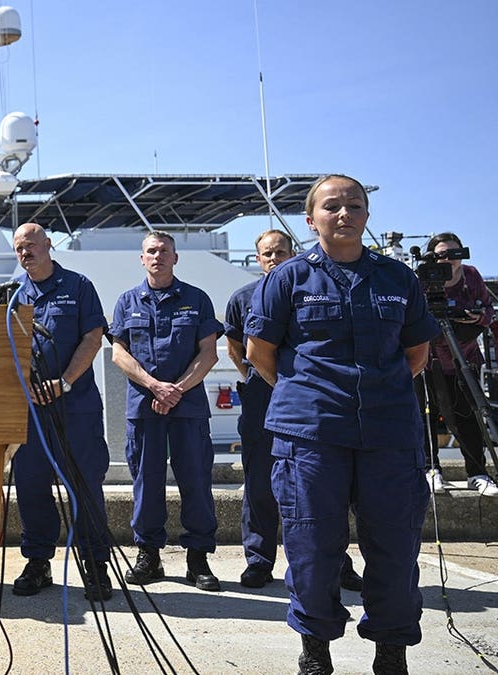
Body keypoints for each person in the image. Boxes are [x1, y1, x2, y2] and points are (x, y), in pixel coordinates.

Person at [245, 175, 439, 674]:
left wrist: (375, 393)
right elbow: (259, 354)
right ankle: (316, 655)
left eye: (355, 204)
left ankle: (391, 654)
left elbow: (417, 352)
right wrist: (311, 395)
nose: (345, 213)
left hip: (389, 435)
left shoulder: (399, 279)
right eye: (332, 206)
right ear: (311, 220)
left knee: (395, 547)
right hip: (311, 436)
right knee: (312, 548)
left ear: (367, 216)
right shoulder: (285, 279)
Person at [225, 232, 365, 592]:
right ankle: (259, 561)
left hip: (311, 401)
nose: (274, 258)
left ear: (293, 253)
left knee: (322, 484)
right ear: (258, 259)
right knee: (259, 481)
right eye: (267, 253)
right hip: (261, 396)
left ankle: (337, 563)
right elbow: (237, 349)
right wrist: (274, 383)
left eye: (280, 252)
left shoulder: (314, 289)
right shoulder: (242, 298)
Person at [108, 231, 223, 592]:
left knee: (196, 482)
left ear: (175, 258)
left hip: (187, 407)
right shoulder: (127, 302)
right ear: (142, 259)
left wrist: (175, 390)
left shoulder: (197, 300)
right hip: (145, 406)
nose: (157, 256)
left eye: (164, 251)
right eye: (151, 252)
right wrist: (155, 386)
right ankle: (149, 556)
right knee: (146, 482)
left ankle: (198, 560)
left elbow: (208, 354)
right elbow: (119, 354)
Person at [8, 223, 113, 601]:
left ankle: (95, 565)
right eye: (20, 248)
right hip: (32, 411)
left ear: (49, 245)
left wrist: (63, 382)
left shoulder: (78, 286)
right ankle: (39, 562)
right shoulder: (13, 294)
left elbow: (93, 337)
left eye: (32, 245)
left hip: (75, 406)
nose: (26, 253)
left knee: (85, 485)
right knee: (31, 487)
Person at [421, 232, 497, 497]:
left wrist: (477, 317)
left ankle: (478, 472)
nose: (449, 260)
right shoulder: (422, 278)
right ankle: (431, 469)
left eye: (455, 254)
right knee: (425, 417)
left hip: (463, 357)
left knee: (468, 416)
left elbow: (489, 310)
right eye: (442, 254)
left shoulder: (471, 276)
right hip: (428, 360)